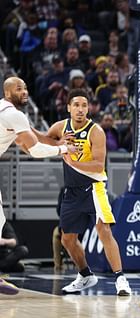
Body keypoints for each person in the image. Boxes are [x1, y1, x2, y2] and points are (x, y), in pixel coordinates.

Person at [37, 89, 132, 296]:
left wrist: (73, 160)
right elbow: (43, 141)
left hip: (94, 188)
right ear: (69, 107)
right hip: (72, 191)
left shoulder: (95, 131)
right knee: (67, 239)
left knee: (104, 230)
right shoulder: (61, 127)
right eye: (76, 105)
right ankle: (85, 275)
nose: (80, 109)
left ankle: (120, 278)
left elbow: (98, 166)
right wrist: (59, 144)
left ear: (88, 109)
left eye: (84, 105)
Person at [0, 76, 77, 295]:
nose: (24, 91)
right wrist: (63, 150)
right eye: (18, 89)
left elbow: (31, 137)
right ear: (8, 93)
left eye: (25, 87)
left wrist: (57, 143)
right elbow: (33, 150)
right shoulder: (13, 115)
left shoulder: (6, 112)